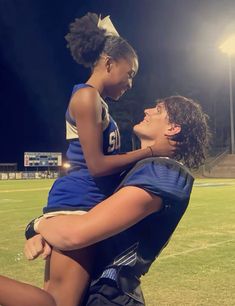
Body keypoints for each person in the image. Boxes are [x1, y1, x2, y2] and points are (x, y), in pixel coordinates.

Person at [20, 12, 166, 306]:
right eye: (130, 73)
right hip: (78, 204)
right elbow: (97, 166)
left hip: (85, 204)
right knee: (58, 303)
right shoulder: (86, 98)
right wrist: (150, 151)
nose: (131, 82)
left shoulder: (98, 103)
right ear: (109, 63)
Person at [17, 95, 209, 306]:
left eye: (158, 109)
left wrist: (38, 225)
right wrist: (44, 234)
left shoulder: (164, 173)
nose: (147, 110)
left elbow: (75, 234)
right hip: (90, 289)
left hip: (108, 294)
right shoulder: (138, 168)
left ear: (173, 128)